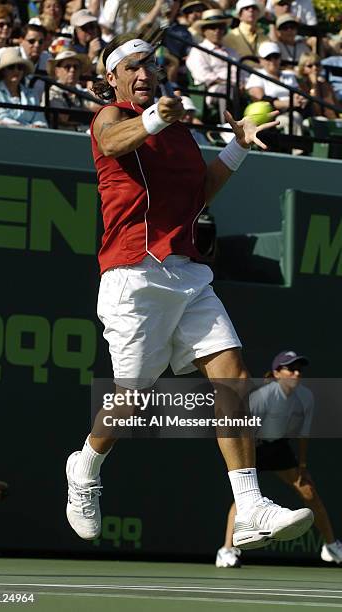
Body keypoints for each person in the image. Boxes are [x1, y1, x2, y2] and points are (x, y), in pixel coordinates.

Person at [65, 33, 314, 551]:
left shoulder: (177, 132)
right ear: (112, 78)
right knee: (130, 402)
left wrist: (238, 144)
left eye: (149, 65)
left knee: (235, 379)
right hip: (132, 276)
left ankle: (249, 508)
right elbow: (114, 143)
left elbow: (199, 190)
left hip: (189, 274)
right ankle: (85, 463)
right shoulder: (108, 119)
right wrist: (156, 116)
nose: (143, 73)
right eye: (131, 67)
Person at [216, 350, 342, 567]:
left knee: (309, 492)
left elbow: (303, 433)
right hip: (254, 444)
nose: (296, 373)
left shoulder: (306, 397)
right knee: (244, 498)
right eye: (290, 369)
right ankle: (226, 551)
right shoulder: (264, 397)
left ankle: (331, 547)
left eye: (299, 370)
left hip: (278, 446)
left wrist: (302, 465)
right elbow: (240, 427)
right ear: (276, 373)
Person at [186, 9, 240, 122]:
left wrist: (243, 83)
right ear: (204, 31)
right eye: (213, 27)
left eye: (221, 27)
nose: (217, 31)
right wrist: (228, 83)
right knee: (226, 90)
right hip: (211, 90)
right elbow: (203, 75)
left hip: (237, 87)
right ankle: (227, 126)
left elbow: (243, 73)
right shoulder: (198, 50)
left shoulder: (232, 52)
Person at [246, 41, 305, 137]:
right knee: (293, 118)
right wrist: (289, 103)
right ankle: (298, 151)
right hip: (270, 116)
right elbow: (260, 100)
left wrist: (300, 100)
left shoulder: (289, 75)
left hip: (293, 111)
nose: (273, 61)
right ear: (260, 60)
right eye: (268, 58)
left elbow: (298, 94)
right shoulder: (256, 75)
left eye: (276, 57)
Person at [0, 46, 47, 127]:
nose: (16, 70)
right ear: (3, 71)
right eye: (11, 67)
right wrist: (26, 127)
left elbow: (40, 120)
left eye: (20, 67)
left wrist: (37, 126)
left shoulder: (32, 94)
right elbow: (0, 118)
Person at [43, 49, 96, 130]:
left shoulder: (82, 93)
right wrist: (91, 116)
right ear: (57, 71)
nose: (72, 70)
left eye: (76, 67)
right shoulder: (51, 93)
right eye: (67, 67)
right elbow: (64, 117)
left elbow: (97, 108)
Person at [223, 0, 269, 67]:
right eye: (246, 8)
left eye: (254, 8)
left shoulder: (265, 38)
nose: (251, 10)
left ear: (258, 13)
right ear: (240, 15)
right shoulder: (230, 37)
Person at [298, 53, 339, 120]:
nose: (315, 68)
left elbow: (335, 106)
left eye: (317, 64)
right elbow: (315, 109)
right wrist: (314, 85)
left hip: (330, 120)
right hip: (311, 119)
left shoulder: (326, 85)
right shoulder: (300, 85)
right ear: (302, 69)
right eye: (310, 66)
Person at [19, 23, 51, 102]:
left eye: (41, 42)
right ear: (21, 41)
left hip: (38, 110)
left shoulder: (48, 59)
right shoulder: (8, 54)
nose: (37, 45)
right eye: (31, 41)